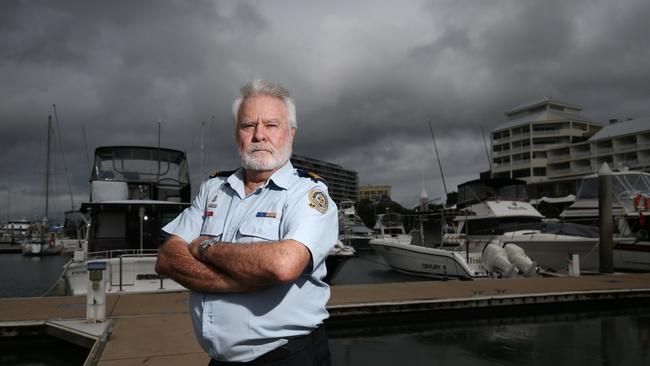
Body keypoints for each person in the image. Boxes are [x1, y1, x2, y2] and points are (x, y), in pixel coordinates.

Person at [155, 79, 338, 366]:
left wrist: (205, 248)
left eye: (271, 125)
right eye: (248, 125)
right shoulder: (214, 188)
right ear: (236, 134)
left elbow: (283, 265)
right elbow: (167, 258)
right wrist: (244, 280)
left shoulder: (308, 193)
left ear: (291, 133)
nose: (259, 135)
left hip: (287, 358)